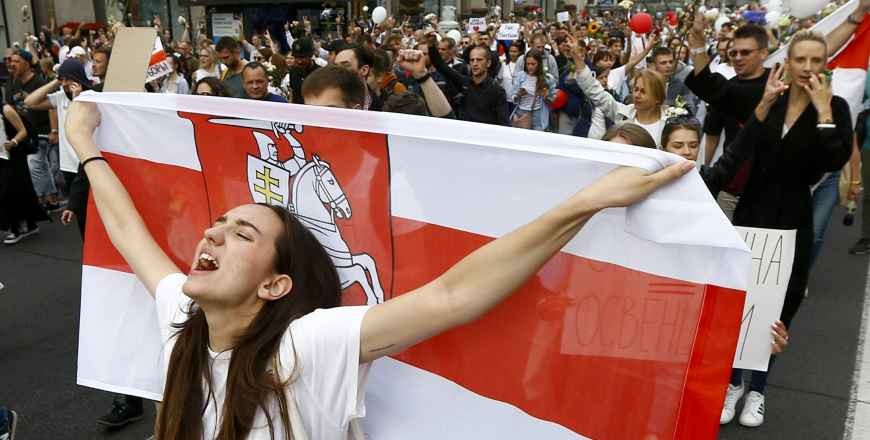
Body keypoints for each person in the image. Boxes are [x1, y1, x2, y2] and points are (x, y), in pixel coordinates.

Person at [64, 92, 692, 440]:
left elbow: (454, 295)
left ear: (275, 283)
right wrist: (85, 145)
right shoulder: (183, 313)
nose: (213, 232)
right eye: (218, 225)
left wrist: (587, 202)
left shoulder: (305, 344)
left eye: (241, 231)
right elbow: (129, 234)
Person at [714, 32, 853, 429]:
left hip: (794, 218)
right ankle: (733, 382)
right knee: (742, 301)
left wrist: (824, 111)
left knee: (780, 306)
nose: (809, 69)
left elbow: (834, 159)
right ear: (788, 62)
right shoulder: (770, 100)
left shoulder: (836, 107)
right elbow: (741, 149)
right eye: (801, 60)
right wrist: (762, 105)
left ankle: (758, 389)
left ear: (825, 64)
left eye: (816, 61)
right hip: (751, 212)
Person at [567, 36, 669, 144]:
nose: (637, 95)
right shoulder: (623, 114)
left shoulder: (669, 123)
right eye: (636, 89)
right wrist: (577, 58)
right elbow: (595, 91)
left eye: (643, 92)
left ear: (658, 98)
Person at [0, 102, 47, 244]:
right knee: (19, 190)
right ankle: (30, 224)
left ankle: (16, 228)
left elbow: (23, 131)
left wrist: (12, 142)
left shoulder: (6, 109)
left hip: (13, 156)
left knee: (9, 191)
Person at [428, 43, 508, 126]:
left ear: (488, 63)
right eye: (472, 60)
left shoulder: (498, 91)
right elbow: (441, 65)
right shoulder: (464, 82)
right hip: (463, 133)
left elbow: (504, 123)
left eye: (479, 60)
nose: (475, 63)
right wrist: (431, 44)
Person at [510, 49, 556, 131]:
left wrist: (546, 96)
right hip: (520, 112)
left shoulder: (548, 78)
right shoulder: (520, 76)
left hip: (538, 115)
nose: (530, 67)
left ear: (539, 64)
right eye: (528, 64)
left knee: (536, 140)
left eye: (533, 64)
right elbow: (513, 97)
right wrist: (518, 95)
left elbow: (552, 101)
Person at [283, 38, 320, 105]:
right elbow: (293, 93)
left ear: (311, 55)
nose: (299, 61)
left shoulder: (321, 73)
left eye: (303, 57)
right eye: (296, 57)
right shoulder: (293, 71)